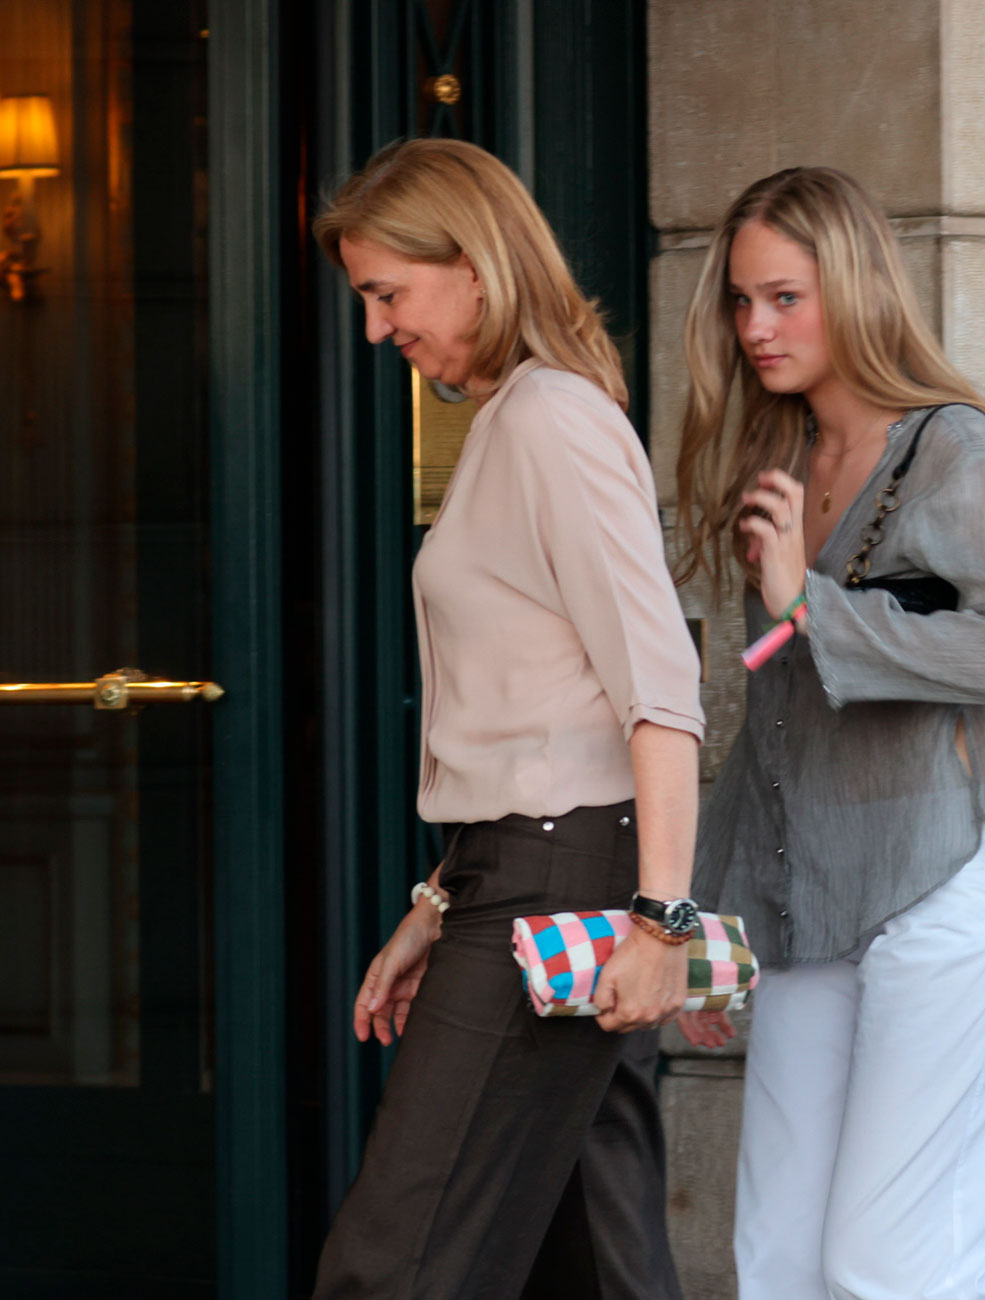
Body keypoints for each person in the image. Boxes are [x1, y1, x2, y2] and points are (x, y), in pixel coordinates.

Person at [308, 138, 705, 1300]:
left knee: (397, 1260)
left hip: (567, 881)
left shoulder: (550, 422)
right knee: (594, 1257)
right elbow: (534, 709)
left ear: (475, 266)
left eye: (390, 292)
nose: (378, 329)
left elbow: (659, 687)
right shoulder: (517, 421)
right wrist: (438, 901)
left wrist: (663, 924)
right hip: (528, 874)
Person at [670, 166, 985, 1300]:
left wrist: (810, 601)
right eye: (742, 301)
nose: (755, 327)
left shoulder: (957, 451)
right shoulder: (781, 465)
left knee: (895, 1264)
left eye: (785, 297)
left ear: (852, 288)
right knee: (782, 1266)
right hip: (812, 903)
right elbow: (772, 719)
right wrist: (706, 920)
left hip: (949, 884)